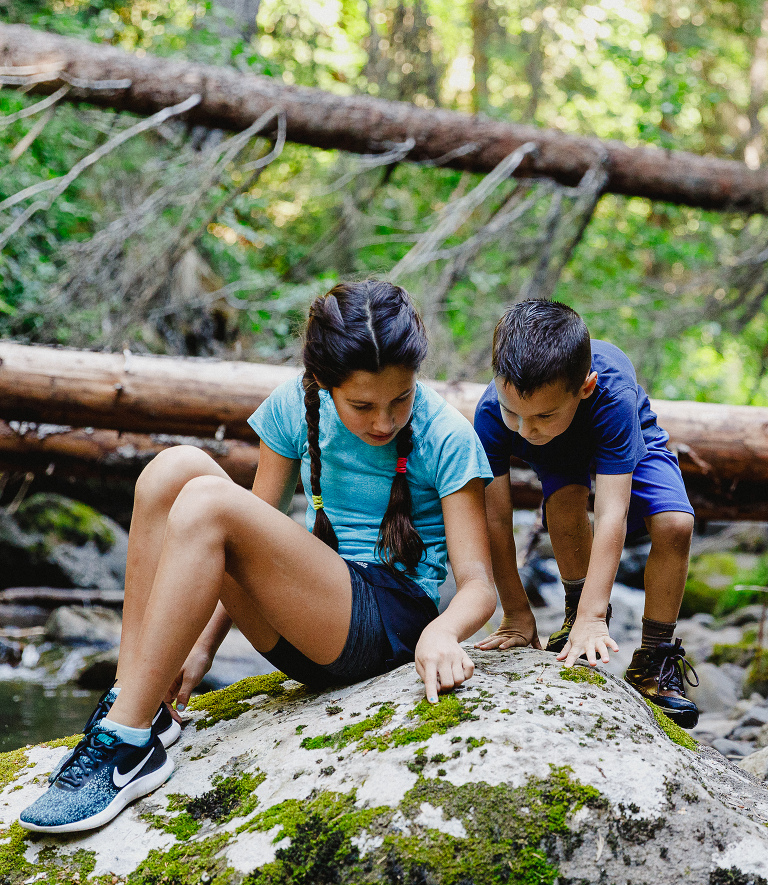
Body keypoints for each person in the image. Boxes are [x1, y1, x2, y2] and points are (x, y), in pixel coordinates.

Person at [20, 279, 496, 834]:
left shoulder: (447, 436)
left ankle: (124, 746)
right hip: (314, 620)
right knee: (171, 471)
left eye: (400, 401)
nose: (384, 422)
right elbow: (239, 541)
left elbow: (479, 585)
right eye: (362, 406)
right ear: (322, 381)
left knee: (206, 500)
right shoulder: (296, 405)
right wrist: (197, 652)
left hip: (388, 625)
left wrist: (442, 633)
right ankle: (136, 704)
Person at [473, 299, 699, 728]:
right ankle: (576, 612)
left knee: (675, 525)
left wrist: (599, 618)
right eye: (512, 412)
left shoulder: (612, 396)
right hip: (562, 441)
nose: (524, 429)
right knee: (564, 501)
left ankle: (652, 659)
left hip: (623, 430)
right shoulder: (492, 416)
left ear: (585, 386)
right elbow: (495, 520)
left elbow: (612, 512)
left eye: (540, 414)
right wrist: (517, 613)